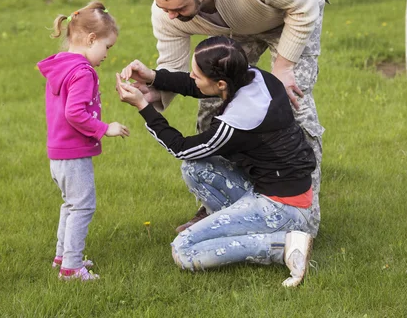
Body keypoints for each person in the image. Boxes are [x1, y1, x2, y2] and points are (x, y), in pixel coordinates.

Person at [145, 0, 327, 234]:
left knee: (296, 108)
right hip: (238, 21)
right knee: (211, 106)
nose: (171, 17)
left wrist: (283, 67)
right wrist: (156, 94)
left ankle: (304, 220)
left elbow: (304, 4)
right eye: (164, 8)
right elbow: (174, 67)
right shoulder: (168, 12)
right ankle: (217, 207)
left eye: (178, 9)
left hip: (292, 9)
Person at [117, 36, 317, 287]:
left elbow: (181, 148)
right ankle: (235, 226)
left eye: (196, 74)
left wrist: (144, 106)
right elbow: (198, 86)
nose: (191, 77)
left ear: (221, 83)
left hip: (282, 209)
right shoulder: (255, 76)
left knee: (184, 249)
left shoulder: (237, 123)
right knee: (196, 168)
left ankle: (283, 245)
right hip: (275, 190)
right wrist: (153, 77)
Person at [37, 0, 129, 281]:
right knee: (83, 206)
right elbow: (74, 112)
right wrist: (104, 128)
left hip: (58, 153)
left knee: (71, 204)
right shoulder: (83, 72)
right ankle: (71, 268)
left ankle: (62, 256)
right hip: (73, 154)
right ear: (91, 39)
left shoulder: (62, 65)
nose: (107, 55)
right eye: (107, 47)